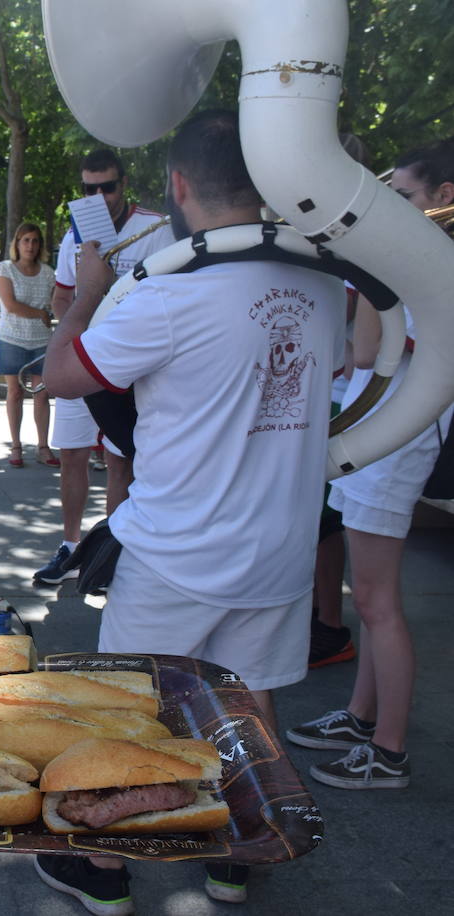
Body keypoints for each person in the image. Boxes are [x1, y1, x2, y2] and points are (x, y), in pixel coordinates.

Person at [41, 109, 346, 910]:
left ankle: (104, 872)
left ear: (176, 188)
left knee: (124, 707)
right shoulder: (320, 285)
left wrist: (84, 296)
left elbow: (61, 377)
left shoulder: (170, 295)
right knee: (250, 701)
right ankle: (236, 855)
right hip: (279, 547)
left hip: (177, 551)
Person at [287, 137, 454, 790]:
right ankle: (361, 717)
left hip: (396, 438)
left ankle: (387, 752)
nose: (395, 208)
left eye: (405, 197)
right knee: (372, 596)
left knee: (380, 603)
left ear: (445, 198)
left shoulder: (428, 265)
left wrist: (364, 268)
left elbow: (362, 352)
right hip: (383, 434)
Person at [34, 149, 172, 585]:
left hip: (134, 367)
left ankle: (115, 552)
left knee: (121, 462)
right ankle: (71, 546)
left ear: (123, 185)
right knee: (71, 454)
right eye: (89, 188)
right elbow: (60, 297)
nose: (98, 196)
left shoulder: (156, 230)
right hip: (81, 359)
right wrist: (76, 323)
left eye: (107, 187)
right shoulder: (74, 236)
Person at [0, 222, 56, 468]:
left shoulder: (49, 272)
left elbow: (56, 304)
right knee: (15, 392)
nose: (30, 245)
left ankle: (43, 446)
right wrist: (40, 314)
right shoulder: (5, 269)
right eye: (25, 240)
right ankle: (16, 445)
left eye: (35, 241)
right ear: (17, 244)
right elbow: (10, 305)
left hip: (41, 341)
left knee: (42, 394)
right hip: (11, 339)